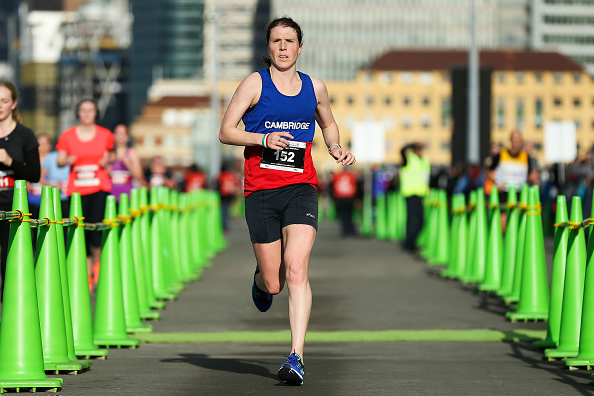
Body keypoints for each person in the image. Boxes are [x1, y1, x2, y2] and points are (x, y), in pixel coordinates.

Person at [218, 16, 356, 386]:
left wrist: (335, 146)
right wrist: (264, 139)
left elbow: (327, 123)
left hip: (301, 188)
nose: (282, 47)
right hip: (261, 191)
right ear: (268, 48)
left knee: (297, 269)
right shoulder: (254, 84)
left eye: (289, 41)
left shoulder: (315, 87)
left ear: (299, 47)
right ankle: (261, 282)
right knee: (275, 282)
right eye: (276, 41)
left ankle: (296, 356)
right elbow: (226, 131)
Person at [56, 98, 115, 291]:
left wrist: (108, 160)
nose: (87, 114)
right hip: (77, 189)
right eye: (83, 110)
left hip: (98, 187)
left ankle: (97, 265)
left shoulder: (105, 135)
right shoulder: (68, 135)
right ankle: (88, 273)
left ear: (96, 113)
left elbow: (112, 155)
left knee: (95, 229)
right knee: (80, 231)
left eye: (91, 110)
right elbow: (60, 161)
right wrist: (68, 159)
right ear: (78, 113)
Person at [0, 81, 41, 300]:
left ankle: (9, 314)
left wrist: (10, 161)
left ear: (13, 104)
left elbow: (34, 174)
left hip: (14, 208)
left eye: (4, 101)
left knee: (10, 264)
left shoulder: (25, 135)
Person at [488, 129, 536, 232]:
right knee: (503, 227)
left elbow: (530, 175)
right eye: (514, 139)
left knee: (517, 225)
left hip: (519, 193)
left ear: (521, 141)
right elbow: (488, 172)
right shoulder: (501, 154)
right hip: (503, 192)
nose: (516, 141)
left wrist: (532, 179)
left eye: (518, 139)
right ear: (510, 140)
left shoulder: (526, 156)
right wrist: (497, 183)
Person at [399, 142, 430, 252]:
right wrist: (411, 144)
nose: (419, 150)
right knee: (412, 220)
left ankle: (411, 242)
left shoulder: (425, 161)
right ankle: (409, 243)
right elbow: (402, 150)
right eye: (416, 148)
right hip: (410, 193)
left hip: (421, 194)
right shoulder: (409, 159)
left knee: (421, 221)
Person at [110, 124, 145, 201]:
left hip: (128, 196)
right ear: (113, 135)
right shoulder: (109, 153)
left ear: (127, 137)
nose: (120, 136)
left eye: (123, 133)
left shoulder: (131, 153)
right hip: (111, 196)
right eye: (118, 133)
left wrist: (127, 163)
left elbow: (139, 176)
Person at [330, 167, 358, 237]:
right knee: (350, 215)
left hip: (340, 198)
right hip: (349, 197)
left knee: (343, 215)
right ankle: (350, 230)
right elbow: (355, 187)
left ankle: (345, 231)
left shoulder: (337, 176)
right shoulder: (351, 176)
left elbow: (333, 187)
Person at [216, 162, 241, 233]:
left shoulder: (221, 176)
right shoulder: (231, 175)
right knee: (227, 209)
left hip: (223, 194)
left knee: (223, 210)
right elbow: (236, 184)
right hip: (230, 194)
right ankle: (228, 223)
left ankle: (224, 225)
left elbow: (217, 185)